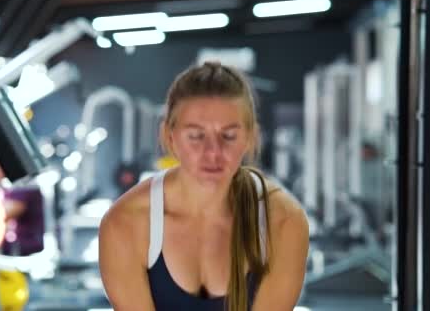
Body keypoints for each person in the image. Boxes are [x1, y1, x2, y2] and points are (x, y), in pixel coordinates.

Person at [98, 62, 310, 311]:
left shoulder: (283, 221)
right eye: (196, 136)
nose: (213, 152)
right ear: (169, 136)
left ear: (251, 137)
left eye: (228, 136)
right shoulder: (126, 223)